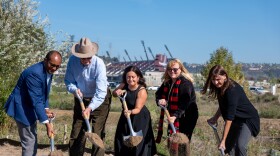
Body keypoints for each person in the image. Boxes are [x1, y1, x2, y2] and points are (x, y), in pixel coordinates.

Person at [4, 50, 62, 156]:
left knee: (32, 139)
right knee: (29, 141)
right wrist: (48, 125)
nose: (54, 69)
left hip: (30, 105)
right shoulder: (35, 74)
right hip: (21, 107)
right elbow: (37, 101)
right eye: (52, 65)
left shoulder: (49, 70)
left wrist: (46, 109)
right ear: (45, 61)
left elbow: (44, 93)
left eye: (57, 66)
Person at [65, 37, 112, 156]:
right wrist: (75, 90)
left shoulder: (99, 64)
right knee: (77, 131)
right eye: (83, 58)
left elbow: (101, 92)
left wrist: (90, 108)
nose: (86, 60)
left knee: (97, 132)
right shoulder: (72, 61)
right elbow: (69, 81)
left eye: (89, 57)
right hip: (80, 98)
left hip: (100, 100)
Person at [201, 65, 260, 155]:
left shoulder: (232, 90)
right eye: (213, 80)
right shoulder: (221, 88)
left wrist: (223, 140)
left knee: (240, 146)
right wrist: (215, 118)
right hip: (236, 120)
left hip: (248, 120)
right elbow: (223, 105)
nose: (216, 83)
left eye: (218, 79)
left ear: (225, 76)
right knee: (228, 148)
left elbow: (229, 118)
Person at [113, 65, 157, 156]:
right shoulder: (124, 85)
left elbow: (137, 109)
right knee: (121, 137)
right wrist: (117, 91)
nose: (130, 79)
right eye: (128, 77)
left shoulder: (141, 90)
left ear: (138, 77)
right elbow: (114, 94)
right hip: (126, 113)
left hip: (139, 116)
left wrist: (130, 112)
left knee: (138, 140)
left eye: (133, 77)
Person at [155, 58, 198, 143]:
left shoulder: (185, 83)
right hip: (172, 114)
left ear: (181, 69)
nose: (172, 71)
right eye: (169, 69)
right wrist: (160, 100)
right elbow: (158, 94)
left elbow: (185, 103)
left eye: (175, 69)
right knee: (172, 140)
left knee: (182, 142)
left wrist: (175, 116)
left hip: (187, 116)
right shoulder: (167, 83)